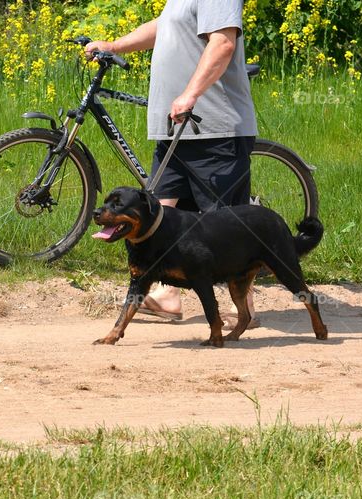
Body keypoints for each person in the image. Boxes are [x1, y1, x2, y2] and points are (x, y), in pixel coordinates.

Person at [85, 0, 259, 325]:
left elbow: (222, 43)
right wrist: (113, 45)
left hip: (212, 129)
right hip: (176, 129)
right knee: (159, 217)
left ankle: (243, 305)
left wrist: (191, 94)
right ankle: (167, 294)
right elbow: (164, 26)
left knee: (224, 224)